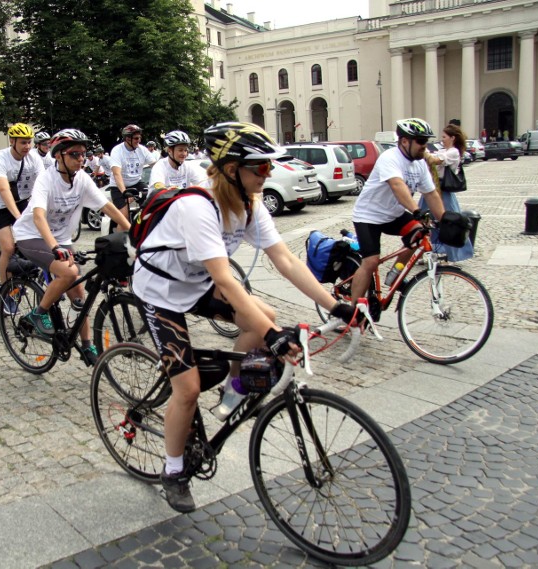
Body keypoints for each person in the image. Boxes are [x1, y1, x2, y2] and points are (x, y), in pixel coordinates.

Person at [131, 122, 354, 513]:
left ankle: (231, 389)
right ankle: (173, 470)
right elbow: (226, 280)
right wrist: (273, 336)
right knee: (185, 389)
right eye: (261, 168)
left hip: (196, 281)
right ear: (233, 169)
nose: (268, 175)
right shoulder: (197, 206)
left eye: (270, 168)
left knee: (263, 314)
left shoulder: (250, 204)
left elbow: (284, 260)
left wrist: (336, 306)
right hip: (161, 290)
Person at [12, 129, 131, 364]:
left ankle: (87, 346)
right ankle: (38, 314)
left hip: (62, 240)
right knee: (70, 271)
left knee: (80, 295)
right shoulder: (47, 179)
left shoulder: (82, 179)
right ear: (59, 156)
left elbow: (106, 207)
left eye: (83, 155)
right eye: (75, 154)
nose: (80, 159)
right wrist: (55, 246)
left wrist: (132, 231)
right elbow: (38, 216)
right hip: (31, 235)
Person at [350, 118, 446, 307]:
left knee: (419, 234)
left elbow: (431, 193)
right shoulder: (390, 158)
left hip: (392, 214)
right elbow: (396, 185)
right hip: (368, 216)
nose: (424, 146)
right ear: (404, 141)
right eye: (420, 141)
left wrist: (445, 219)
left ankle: (395, 275)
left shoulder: (418, 164)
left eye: (426, 141)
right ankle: (351, 312)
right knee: (371, 262)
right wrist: (416, 210)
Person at [0, 123, 45, 308]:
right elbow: (3, 189)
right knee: (9, 248)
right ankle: (6, 292)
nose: (27, 146)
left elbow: (43, 184)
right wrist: (19, 217)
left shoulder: (34, 159)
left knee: (36, 241)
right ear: (12, 141)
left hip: (23, 201)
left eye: (29, 142)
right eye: (23, 142)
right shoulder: (0, 158)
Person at [421, 123, 474, 262]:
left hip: (443, 193)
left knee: (450, 222)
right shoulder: (444, 150)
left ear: (453, 138)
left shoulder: (453, 152)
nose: (442, 139)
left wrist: (422, 149)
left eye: (444, 136)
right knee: (423, 221)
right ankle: (427, 252)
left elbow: (434, 160)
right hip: (431, 190)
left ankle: (456, 254)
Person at [108, 124, 157, 230]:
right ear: (127, 138)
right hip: (118, 186)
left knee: (151, 206)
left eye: (140, 138)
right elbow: (117, 174)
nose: (138, 140)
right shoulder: (117, 150)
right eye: (136, 138)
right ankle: (119, 244)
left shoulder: (142, 149)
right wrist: (124, 192)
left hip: (137, 182)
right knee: (124, 217)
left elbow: (156, 166)